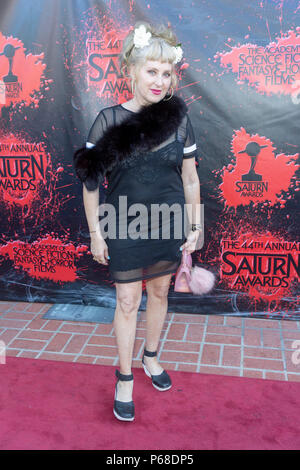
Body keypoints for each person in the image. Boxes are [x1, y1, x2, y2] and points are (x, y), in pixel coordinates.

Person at [74, 21, 202, 422]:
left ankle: (150, 357)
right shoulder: (109, 120)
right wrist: (96, 233)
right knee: (128, 301)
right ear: (131, 70)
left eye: (167, 74)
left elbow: (191, 178)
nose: (160, 81)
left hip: (168, 223)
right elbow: (91, 184)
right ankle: (125, 375)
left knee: (160, 295)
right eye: (152, 71)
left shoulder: (179, 121)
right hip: (123, 225)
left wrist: (195, 228)